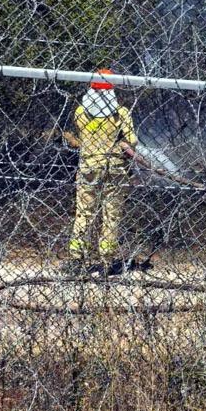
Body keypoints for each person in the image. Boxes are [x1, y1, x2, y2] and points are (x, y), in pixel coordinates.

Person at [62, 68, 138, 277]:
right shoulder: (121, 113)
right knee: (111, 216)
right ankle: (106, 262)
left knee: (84, 214)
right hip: (115, 168)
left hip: (89, 167)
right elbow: (132, 141)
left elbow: (77, 137)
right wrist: (119, 144)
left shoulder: (81, 112)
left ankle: (77, 260)